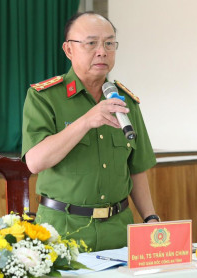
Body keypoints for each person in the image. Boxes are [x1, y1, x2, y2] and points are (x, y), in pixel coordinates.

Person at [21, 11, 159, 251]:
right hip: (61, 231)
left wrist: (150, 219)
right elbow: (35, 162)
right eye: (91, 43)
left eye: (109, 43)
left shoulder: (126, 102)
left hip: (118, 232)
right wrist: (86, 120)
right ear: (68, 50)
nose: (102, 51)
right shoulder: (45, 97)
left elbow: (136, 170)